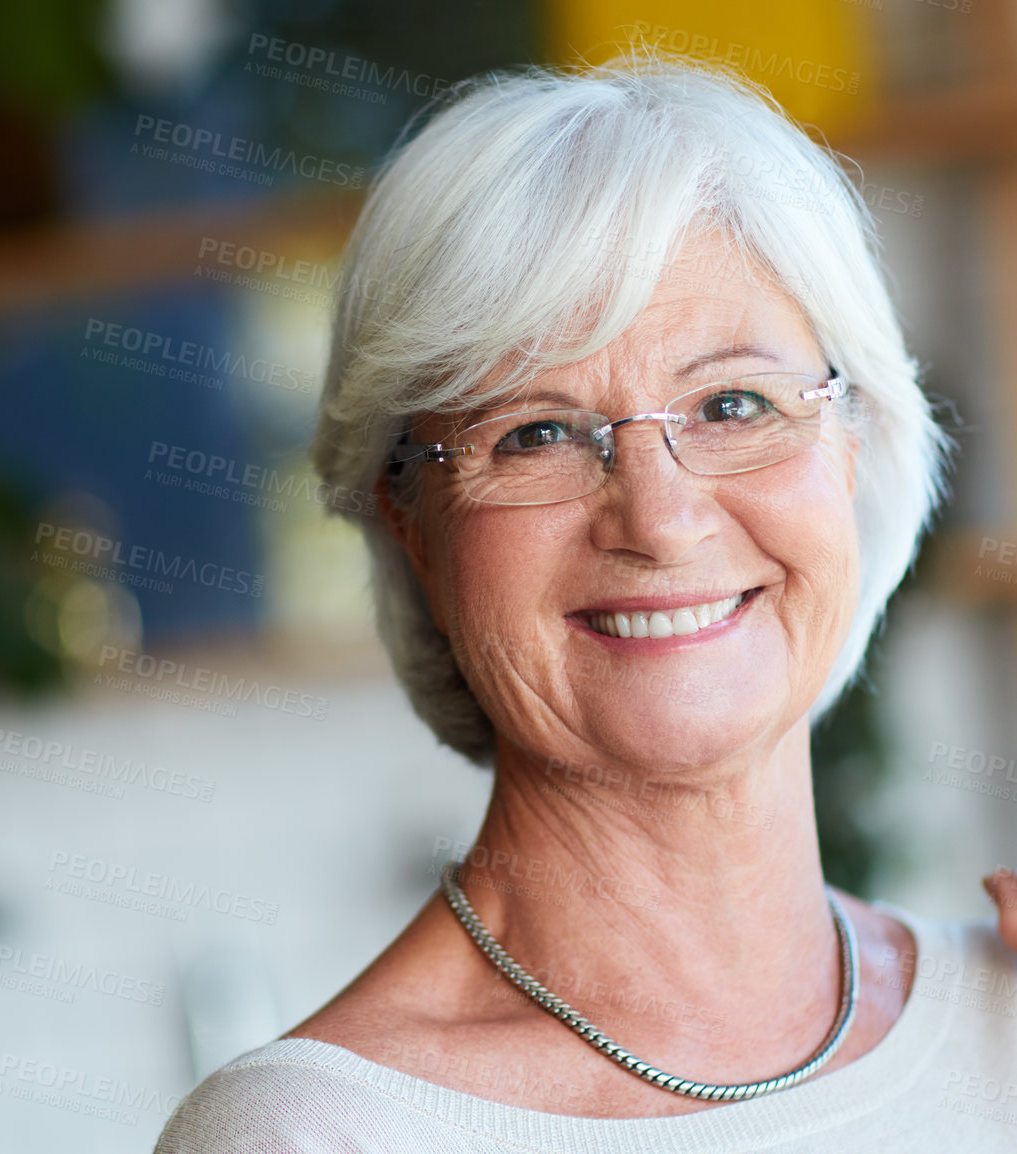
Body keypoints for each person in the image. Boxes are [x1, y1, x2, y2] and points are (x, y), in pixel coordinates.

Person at [154, 58, 1017, 1151]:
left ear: (856, 447)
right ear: (410, 522)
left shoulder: (1003, 1017)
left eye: (735, 402)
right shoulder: (316, 1133)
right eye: (535, 433)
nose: (659, 519)